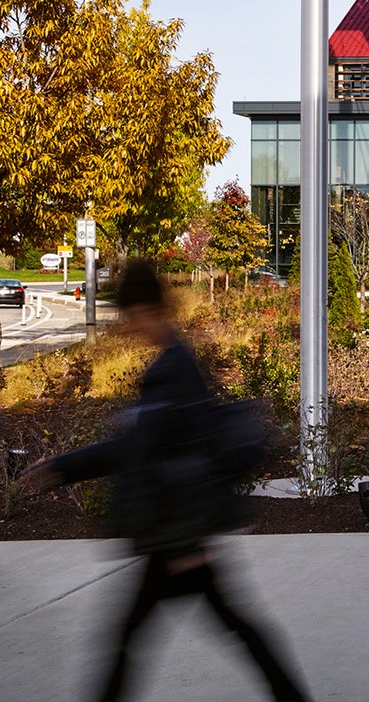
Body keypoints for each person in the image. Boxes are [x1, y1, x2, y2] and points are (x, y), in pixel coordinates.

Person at [22, 262, 311, 702]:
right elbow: (137, 447)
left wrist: (188, 545)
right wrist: (63, 468)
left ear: (146, 310)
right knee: (215, 627)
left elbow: (183, 456)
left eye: (128, 315)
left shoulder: (173, 371)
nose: (126, 326)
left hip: (175, 537)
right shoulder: (172, 364)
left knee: (134, 637)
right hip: (175, 534)